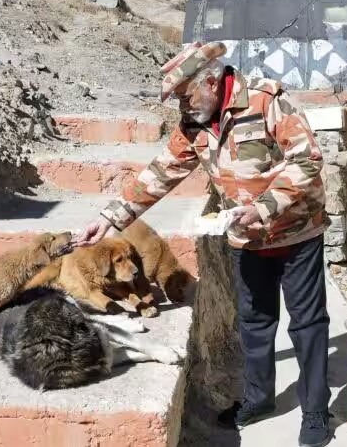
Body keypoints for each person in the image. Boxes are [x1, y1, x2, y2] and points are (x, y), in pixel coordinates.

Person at [75, 41, 332, 447]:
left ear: (211, 80)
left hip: (296, 234)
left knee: (308, 325)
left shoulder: (266, 100)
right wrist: (109, 219)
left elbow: (307, 159)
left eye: (185, 95)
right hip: (245, 238)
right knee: (255, 322)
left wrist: (263, 207)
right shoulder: (194, 123)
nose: (182, 106)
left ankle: (316, 410)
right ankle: (259, 398)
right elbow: (161, 172)